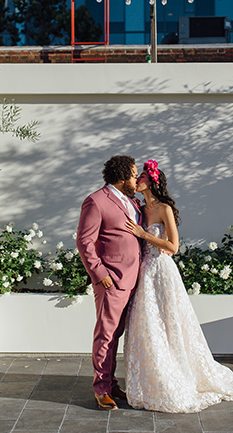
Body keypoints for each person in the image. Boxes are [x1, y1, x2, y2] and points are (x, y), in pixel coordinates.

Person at [122, 159, 233, 413]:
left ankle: (178, 373)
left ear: (151, 181)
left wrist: (144, 235)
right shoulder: (139, 208)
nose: (137, 179)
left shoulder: (164, 209)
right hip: (144, 273)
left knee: (170, 323)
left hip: (162, 271)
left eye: (141, 176)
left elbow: (173, 247)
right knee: (147, 325)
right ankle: (152, 377)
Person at [76, 155, 143, 411]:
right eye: (134, 175)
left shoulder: (131, 201)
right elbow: (84, 242)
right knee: (105, 335)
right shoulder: (96, 201)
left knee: (116, 335)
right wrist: (100, 273)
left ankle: (112, 384)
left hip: (133, 279)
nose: (136, 180)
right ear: (122, 176)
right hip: (111, 280)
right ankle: (101, 389)